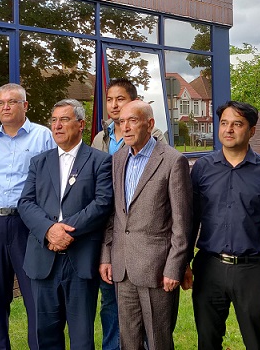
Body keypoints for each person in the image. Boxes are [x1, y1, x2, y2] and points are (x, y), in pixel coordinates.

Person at [189, 100, 260, 350]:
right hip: (209, 267)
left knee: (257, 341)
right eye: (224, 123)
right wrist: (183, 263)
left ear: (252, 130)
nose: (229, 129)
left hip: (252, 270)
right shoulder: (203, 168)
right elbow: (190, 218)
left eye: (237, 124)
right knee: (207, 340)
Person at [18, 99, 114, 350]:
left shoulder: (100, 161)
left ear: (81, 124)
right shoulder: (39, 162)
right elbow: (25, 203)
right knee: (45, 335)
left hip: (80, 259)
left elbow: (102, 203)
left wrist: (64, 230)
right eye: (53, 120)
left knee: (82, 337)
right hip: (43, 259)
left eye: (64, 119)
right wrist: (49, 231)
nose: (57, 125)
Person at [0, 83, 54, 350]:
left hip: (27, 226)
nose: (5, 107)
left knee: (36, 296)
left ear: (25, 105)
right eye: (0, 103)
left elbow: (53, 180)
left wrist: (46, 225)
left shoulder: (43, 136)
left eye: (12, 102)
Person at [100, 100, 192, 350]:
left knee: (158, 341)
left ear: (149, 124)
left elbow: (182, 223)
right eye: (122, 122)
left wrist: (174, 267)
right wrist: (106, 255)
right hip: (122, 267)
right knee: (128, 341)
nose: (126, 127)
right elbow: (113, 214)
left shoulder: (172, 161)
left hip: (157, 269)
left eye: (133, 121)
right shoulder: (118, 159)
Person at [91, 77, 166, 350]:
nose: (114, 105)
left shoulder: (154, 137)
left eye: (120, 99)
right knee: (111, 301)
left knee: (147, 313)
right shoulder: (101, 138)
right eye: (109, 100)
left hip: (143, 239)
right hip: (110, 228)